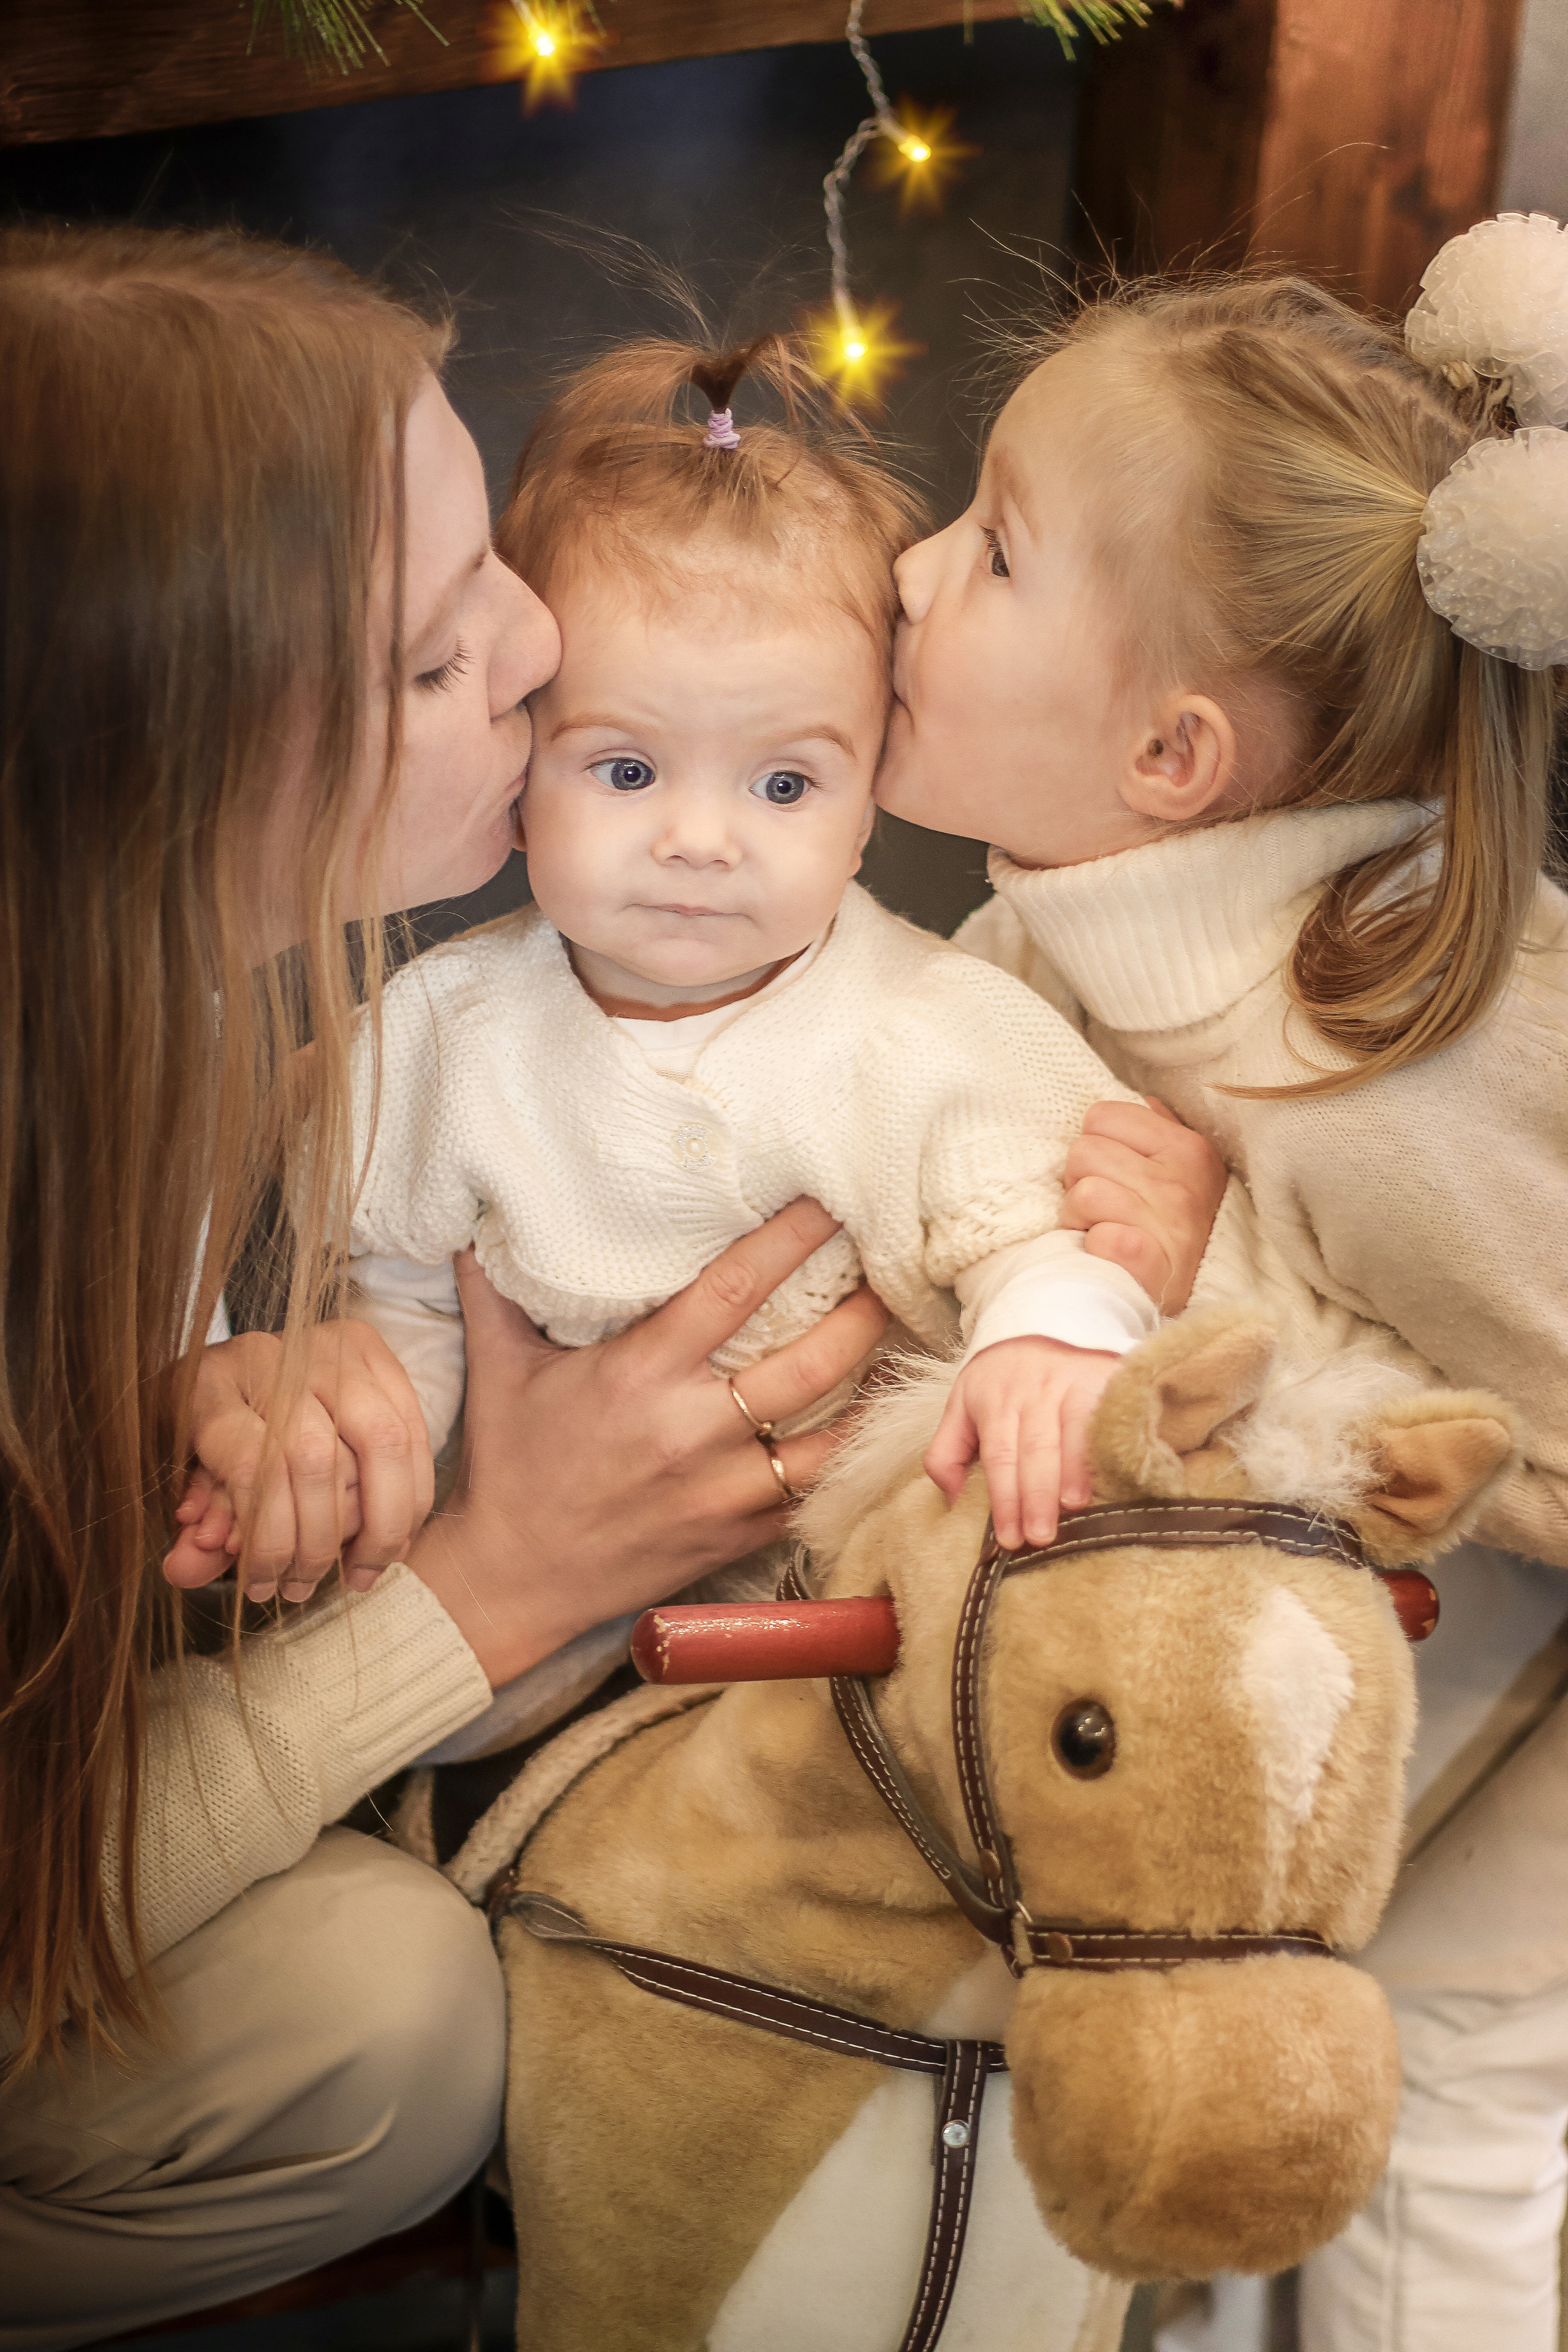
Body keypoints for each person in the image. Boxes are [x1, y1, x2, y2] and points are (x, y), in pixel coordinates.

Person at [0, 225, 898, 2350]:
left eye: (484, 550)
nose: (533, 642)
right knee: (389, 2015)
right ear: (165, 771)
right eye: (429, 659)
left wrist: (209, 1376)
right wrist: (506, 1578)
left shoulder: (157, 1030)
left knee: (373, 1995)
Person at [876, 228, 1568, 2350]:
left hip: (1525, 1702)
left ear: (1172, 758)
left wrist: (1220, 1285)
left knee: (1436, 2102)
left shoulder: (1389, 1062)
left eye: (993, 548)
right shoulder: (1054, 934)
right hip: (1354, 1676)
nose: (905, 570)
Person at [270, 331, 1251, 1758]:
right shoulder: (441, 1030)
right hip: (513, 1644)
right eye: (624, 769)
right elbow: (401, 1298)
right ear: (524, 769)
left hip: (850, 1626)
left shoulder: (928, 1027)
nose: (698, 839)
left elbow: (1039, 1236)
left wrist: (1047, 1332)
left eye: (783, 785)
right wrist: (354, 1454)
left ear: (865, 807)